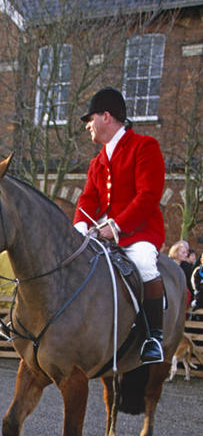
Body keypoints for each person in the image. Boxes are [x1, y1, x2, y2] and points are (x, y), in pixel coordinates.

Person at [74, 87, 166, 364]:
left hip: (140, 231)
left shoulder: (144, 146)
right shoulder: (97, 162)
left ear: (106, 116)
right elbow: (88, 199)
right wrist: (79, 228)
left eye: (90, 119)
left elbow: (148, 195)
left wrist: (116, 227)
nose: (88, 125)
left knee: (144, 264)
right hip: (104, 232)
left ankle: (153, 337)